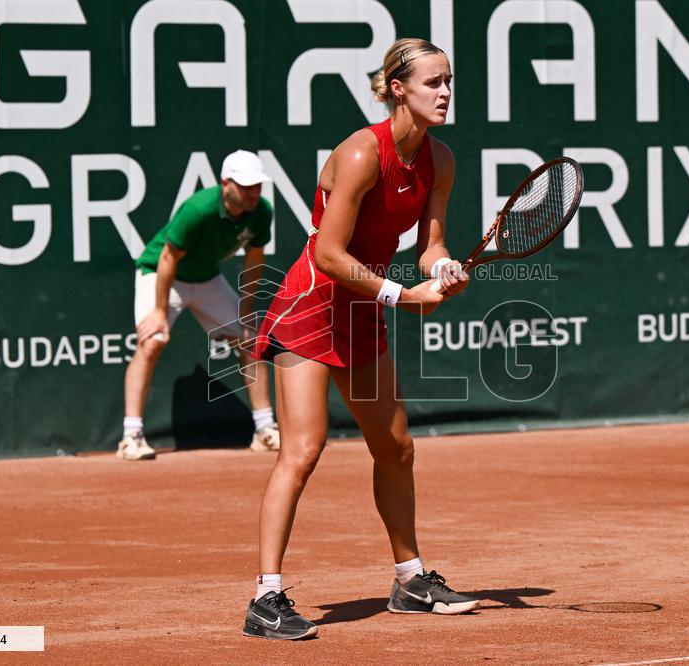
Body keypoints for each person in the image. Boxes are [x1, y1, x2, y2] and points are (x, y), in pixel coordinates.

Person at [241, 39, 476, 641]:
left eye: (448, 80)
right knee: (303, 449)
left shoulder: (440, 159)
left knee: (395, 447)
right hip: (313, 305)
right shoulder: (359, 154)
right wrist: (402, 296)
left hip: (362, 309)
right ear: (398, 88)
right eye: (433, 82)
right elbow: (327, 253)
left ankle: (410, 580)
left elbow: (430, 246)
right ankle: (265, 598)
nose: (445, 92)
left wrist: (442, 270)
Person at [117, 150, 281, 461]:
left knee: (250, 340)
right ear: (226, 184)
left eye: (257, 185)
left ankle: (264, 430)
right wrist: (160, 312)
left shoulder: (261, 211)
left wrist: (246, 309)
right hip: (161, 273)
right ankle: (131, 437)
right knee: (152, 341)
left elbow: (254, 260)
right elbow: (168, 258)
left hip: (206, 278)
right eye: (245, 186)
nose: (253, 193)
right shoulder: (198, 209)